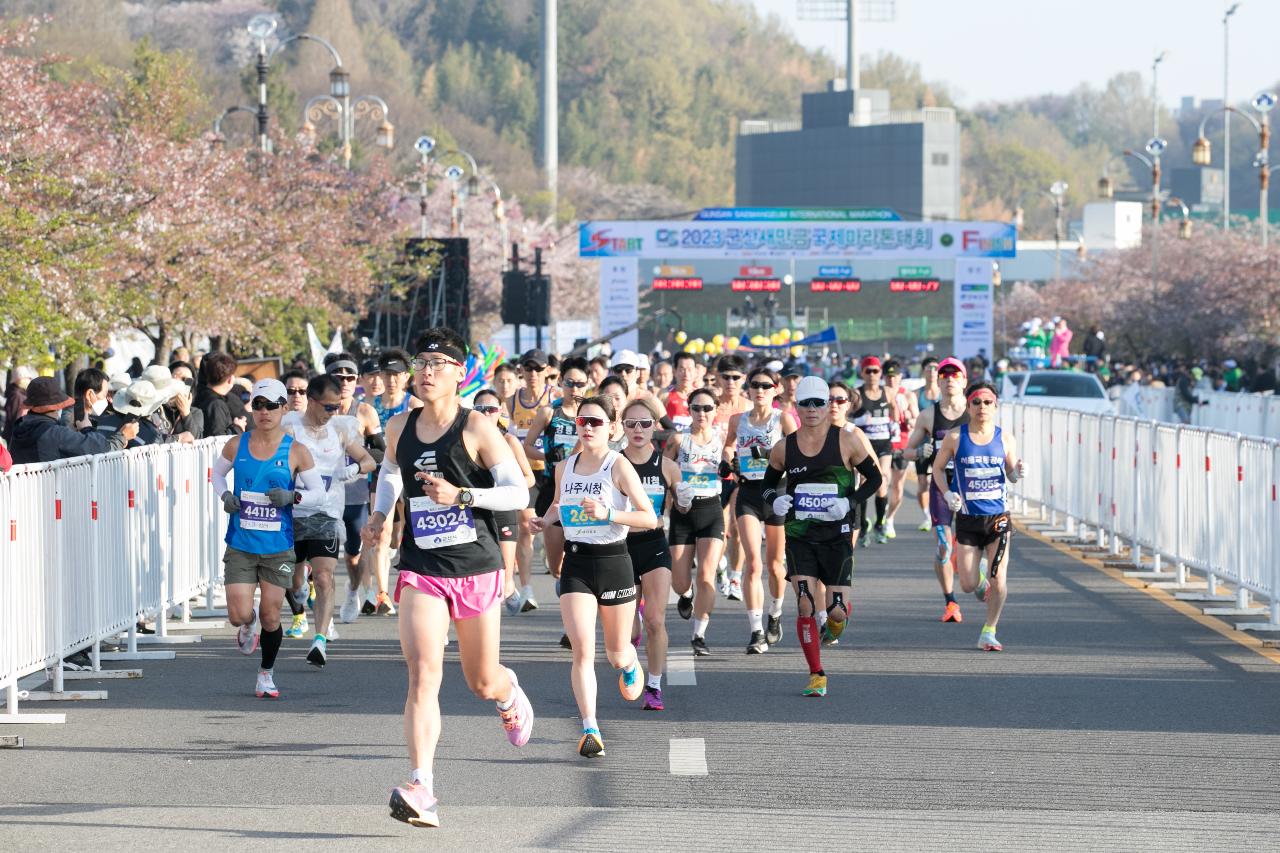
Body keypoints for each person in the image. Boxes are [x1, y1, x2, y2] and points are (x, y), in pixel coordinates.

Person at [366, 328, 534, 828]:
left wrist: (462, 496)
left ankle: (508, 693)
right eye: (421, 362)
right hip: (423, 567)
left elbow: (518, 496)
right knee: (423, 674)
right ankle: (423, 786)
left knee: (481, 679)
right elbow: (391, 473)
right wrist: (380, 513)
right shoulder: (399, 426)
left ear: (460, 373)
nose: (426, 371)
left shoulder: (478, 427)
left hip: (475, 565)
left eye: (438, 363)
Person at [532, 394, 657, 756]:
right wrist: (544, 521)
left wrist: (609, 515)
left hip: (615, 561)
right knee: (582, 651)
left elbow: (649, 518)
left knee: (616, 653)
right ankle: (590, 729)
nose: (587, 428)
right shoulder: (564, 467)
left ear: (612, 428)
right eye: (582, 421)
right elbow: (559, 505)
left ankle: (632, 663)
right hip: (577, 565)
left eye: (596, 422)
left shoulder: (618, 466)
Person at [760, 376, 882, 697]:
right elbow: (767, 483)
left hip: (837, 535)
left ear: (829, 406)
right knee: (805, 604)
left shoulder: (848, 441)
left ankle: (835, 624)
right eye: (806, 403)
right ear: (796, 407)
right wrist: (776, 499)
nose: (812, 409)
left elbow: (875, 479)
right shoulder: (784, 447)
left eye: (819, 403)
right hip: (800, 535)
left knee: (837, 610)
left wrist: (849, 501)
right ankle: (816, 673)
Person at [211, 378, 324, 699]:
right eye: (258, 405)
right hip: (242, 543)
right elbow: (216, 474)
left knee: (272, 615)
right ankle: (247, 627)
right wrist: (225, 495)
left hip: (278, 547)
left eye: (272, 405)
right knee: (238, 614)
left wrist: (292, 497)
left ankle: (266, 674)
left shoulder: (297, 450)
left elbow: (318, 492)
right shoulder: (237, 444)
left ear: (283, 409)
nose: (264, 412)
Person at [281, 374, 376, 664]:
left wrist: (357, 469)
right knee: (294, 581)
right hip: (292, 510)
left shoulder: (340, 429)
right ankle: (300, 590)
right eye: (328, 407)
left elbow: (370, 459)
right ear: (311, 400)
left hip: (326, 512)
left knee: (324, 576)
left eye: (337, 407)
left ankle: (319, 640)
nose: (333, 413)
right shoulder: (290, 426)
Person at [931, 381, 1022, 652]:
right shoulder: (956, 437)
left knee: (999, 579)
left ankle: (989, 630)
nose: (982, 407)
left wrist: (1018, 471)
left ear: (995, 406)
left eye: (987, 402)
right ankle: (981, 579)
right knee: (970, 585)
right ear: (968, 406)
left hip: (998, 519)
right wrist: (947, 494)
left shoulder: (1005, 438)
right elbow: (937, 469)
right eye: (976, 402)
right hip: (969, 519)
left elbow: (1011, 475)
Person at [724, 366, 797, 653]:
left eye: (766, 386)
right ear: (749, 389)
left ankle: (775, 613)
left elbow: (798, 450)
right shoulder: (737, 420)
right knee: (753, 563)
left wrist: (771, 454)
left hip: (776, 492)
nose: (760, 390)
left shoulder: (784, 419)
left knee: (776, 566)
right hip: (749, 493)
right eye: (755, 385)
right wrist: (727, 460)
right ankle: (755, 631)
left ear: (776, 390)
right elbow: (728, 446)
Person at [619, 398, 679, 710]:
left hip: (654, 544)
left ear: (655, 426)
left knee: (657, 620)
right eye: (631, 423)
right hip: (619, 548)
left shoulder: (666, 466)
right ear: (622, 427)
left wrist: (684, 499)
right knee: (626, 630)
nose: (638, 429)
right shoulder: (612, 463)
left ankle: (653, 686)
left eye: (645, 423)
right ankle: (632, 650)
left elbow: (684, 507)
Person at [903, 357, 969, 623]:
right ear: (938, 381)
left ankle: (977, 578)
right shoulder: (929, 414)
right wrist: (920, 451)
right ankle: (950, 602)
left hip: (970, 488)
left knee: (970, 546)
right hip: (941, 486)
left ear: (964, 381)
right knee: (944, 545)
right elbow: (906, 451)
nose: (949, 379)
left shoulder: (975, 410)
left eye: (955, 375)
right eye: (944, 375)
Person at [523, 357, 592, 598]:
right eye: (570, 383)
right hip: (554, 489)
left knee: (582, 557)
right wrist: (547, 455)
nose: (575, 389)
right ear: (560, 382)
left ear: (588, 384)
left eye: (580, 384)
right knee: (556, 566)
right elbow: (527, 446)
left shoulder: (593, 414)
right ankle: (564, 583)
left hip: (586, 490)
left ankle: (574, 608)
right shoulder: (549, 412)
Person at [363, 348, 424, 617]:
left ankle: (409, 579)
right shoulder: (370, 406)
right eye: (386, 374)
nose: (390, 380)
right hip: (380, 473)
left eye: (396, 375)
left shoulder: (413, 405)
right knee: (383, 533)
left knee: (401, 536)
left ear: (406, 376)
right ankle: (382, 594)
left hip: (409, 474)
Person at [666, 387, 727, 656]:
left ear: (716, 410)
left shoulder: (723, 439)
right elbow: (662, 471)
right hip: (683, 512)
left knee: (706, 575)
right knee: (679, 582)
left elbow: (732, 472)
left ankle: (699, 635)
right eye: (696, 408)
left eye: (707, 408)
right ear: (688, 410)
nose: (702, 413)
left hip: (711, 510)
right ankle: (687, 595)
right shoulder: (679, 439)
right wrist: (675, 495)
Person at [325, 354, 385, 623]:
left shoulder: (364, 412)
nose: (345, 382)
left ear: (357, 380)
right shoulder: (316, 410)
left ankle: (352, 592)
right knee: (320, 555)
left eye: (350, 377)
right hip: (322, 493)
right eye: (339, 377)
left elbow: (383, 453)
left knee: (352, 556)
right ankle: (319, 599)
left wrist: (359, 462)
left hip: (356, 493)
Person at [471, 388, 536, 611]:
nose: (486, 413)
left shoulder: (509, 440)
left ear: (500, 412)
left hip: (504, 509)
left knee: (506, 574)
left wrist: (507, 487)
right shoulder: (466, 440)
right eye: (480, 409)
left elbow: (529, 477)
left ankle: (509, 588)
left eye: (492, 409)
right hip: (477, 509)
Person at [507, 349, 554, 602]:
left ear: (547, 371)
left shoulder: (553, 400)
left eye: (538, 369)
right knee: (525, 527)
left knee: (555, 530)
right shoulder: (512, 401)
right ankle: (527, 590)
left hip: (552, 473)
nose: (533, 374)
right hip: (525, 474)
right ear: (522, 371)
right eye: (528, 369)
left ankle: (558, 568)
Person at [10, 377, 139, 464]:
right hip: (53, 499)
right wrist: (121, 436)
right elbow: (102, 450)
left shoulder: (19, 426)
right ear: (58, 405)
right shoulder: (55, 433)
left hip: (23, 499)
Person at [851, 356, 897, 544]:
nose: (872, 375)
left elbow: (895, 411)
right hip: (863, 446)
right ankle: (862, 528)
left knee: (882, 480)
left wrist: (894, 426)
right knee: (863, 483)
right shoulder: (857, 394)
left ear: (880, 373)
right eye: (868, 371)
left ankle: (879, 524)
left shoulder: (888, 392)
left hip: (884, 445)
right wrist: (859, 422)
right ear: (862, 373)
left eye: (875, 371)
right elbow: (846, 417)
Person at [884, 359, 918, 538]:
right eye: (888, 376)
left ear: (900, 376)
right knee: (882, 481)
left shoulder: (908, 395)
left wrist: (907, 416)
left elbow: (917, 421)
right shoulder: (878, 395)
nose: (892, 380)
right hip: (882, 445)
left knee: (898, 485)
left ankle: (889, 519)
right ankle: (880, 514)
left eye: (895, 376)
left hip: (902, 445)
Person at [165, 362, 205, 439]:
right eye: (175, 376)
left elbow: (196, 438)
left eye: (187, 380)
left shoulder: (195, 412)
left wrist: (186, 413)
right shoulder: (157, 406)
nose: (180, 382)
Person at [664, 351, 699, 435]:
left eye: (690, 370)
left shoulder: (701, 396)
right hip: (671, 445)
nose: (686, 374)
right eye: (682, 369)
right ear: (674, 371)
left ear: (695, 371)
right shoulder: (665, 395)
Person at [3, 365, 36, 443]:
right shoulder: (17, 396)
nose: (28, 380)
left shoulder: (21, 393)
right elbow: (15, 418)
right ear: (19, 379)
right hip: (16, 435)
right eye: (26, 378)